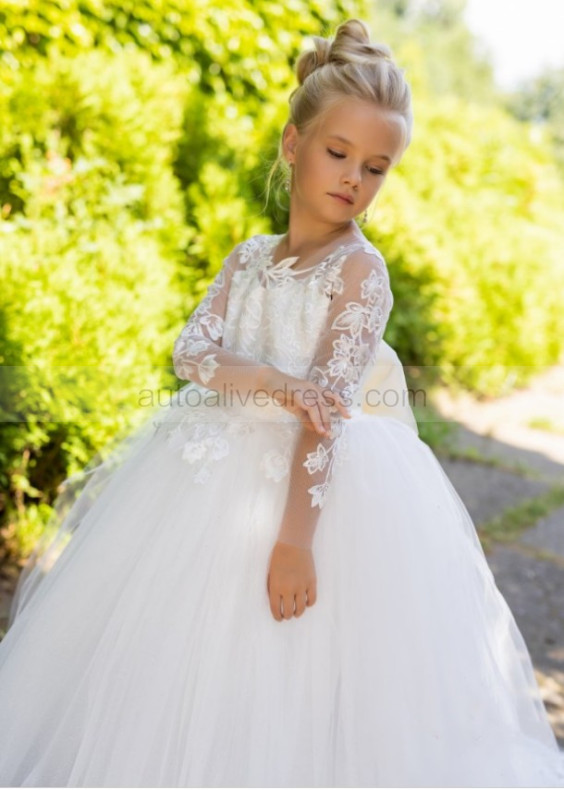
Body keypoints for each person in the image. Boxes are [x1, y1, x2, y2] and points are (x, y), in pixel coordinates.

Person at [1, 17, 564, 787]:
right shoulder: (248, 260)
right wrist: (275, 381)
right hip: (211, 470)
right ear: (294, 144)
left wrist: (296, 539)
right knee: (180, 644)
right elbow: (192, 353)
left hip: (315, 492)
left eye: (377, 167)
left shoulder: (361, 273)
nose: (353, 180)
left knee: (299, 660)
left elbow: (327, 413)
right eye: (338, 154)